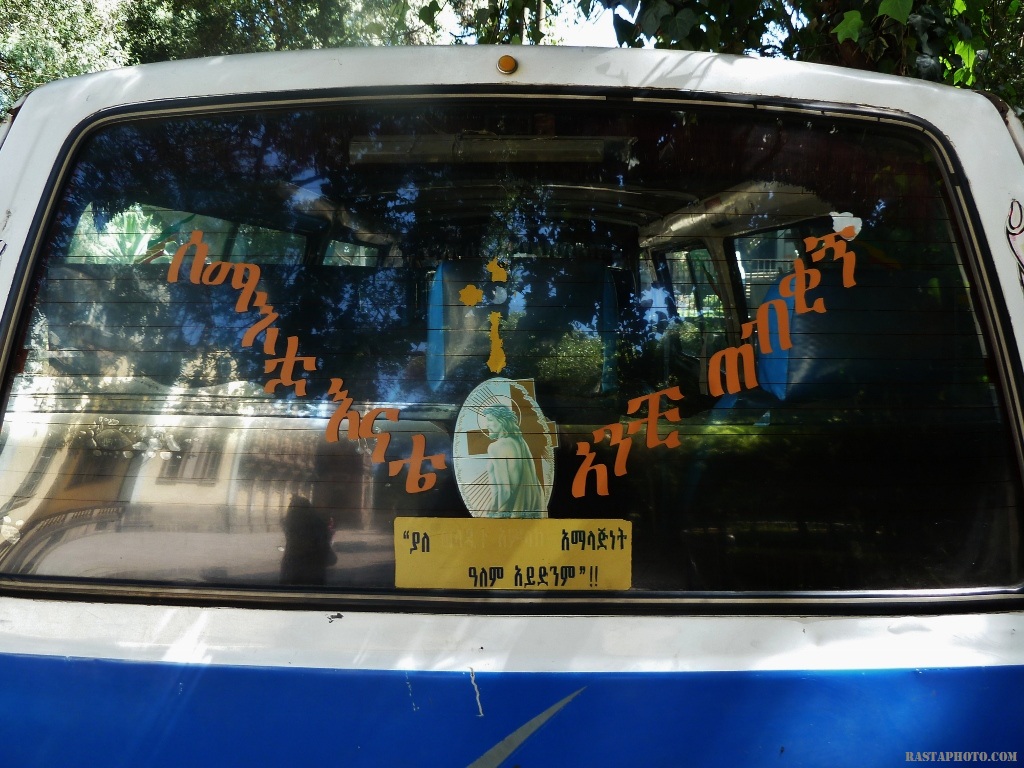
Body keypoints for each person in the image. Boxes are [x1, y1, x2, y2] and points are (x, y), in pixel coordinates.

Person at [481, 405, 544, 517]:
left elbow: (504, 490)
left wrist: (492, 514)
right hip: (528, 511)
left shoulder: (496, 447)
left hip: (508, 514)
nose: (487, 425)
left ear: (502, 422)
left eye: (490, 420)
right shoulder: (521, 443)